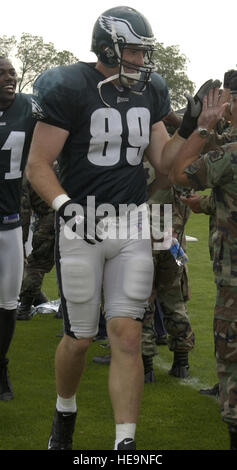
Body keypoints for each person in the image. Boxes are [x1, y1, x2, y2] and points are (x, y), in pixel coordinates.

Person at [26, 6, 217, 450]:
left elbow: (166, 167)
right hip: (82, 220)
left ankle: (124, 444)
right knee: (79, 337)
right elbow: (37, 164)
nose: (140, 59)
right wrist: (64, 206)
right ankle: (65, 410)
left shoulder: (150, 90)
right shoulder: (69, 86)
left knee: (128, 334)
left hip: (132, 221)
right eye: (133, 50)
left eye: (141, 51)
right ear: (108, 46)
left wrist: (194, 129)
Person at [168, 75, 237, 450]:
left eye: (225, 97)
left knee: (231, 355)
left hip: (234, 275)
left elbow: (179, 172)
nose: (221, 102)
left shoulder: (229, 153)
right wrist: (206, 204)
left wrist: (201, 126)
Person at [0, 56, 38, 400]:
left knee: (8, 305)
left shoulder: (30, 107)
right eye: (2, 74)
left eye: (11, 72)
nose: (9, 78)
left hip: (9, 222)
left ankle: (1, 364)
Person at [16, 174, 55, 320]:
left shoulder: (26, 172)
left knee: (35, 265)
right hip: (74, 215)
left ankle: (24, 309)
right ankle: (58, 307)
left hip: (50, 219)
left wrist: (21, 243)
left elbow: (23, 211)